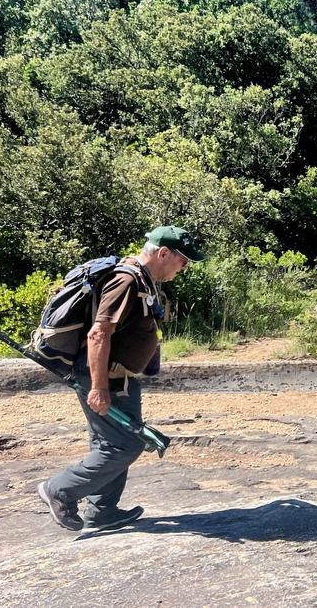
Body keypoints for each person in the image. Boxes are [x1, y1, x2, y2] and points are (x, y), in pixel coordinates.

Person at [37, 226, 205, 531]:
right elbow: (99, 333)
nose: (185, 267)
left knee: (109, 443)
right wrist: (99, 387)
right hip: (106, 378)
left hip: (121, 378)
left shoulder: (143, 279)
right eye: (183, 261)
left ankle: (102, 511)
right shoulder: (126, 280)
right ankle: (59, 490)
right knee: (125, 446)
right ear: (163, 253)